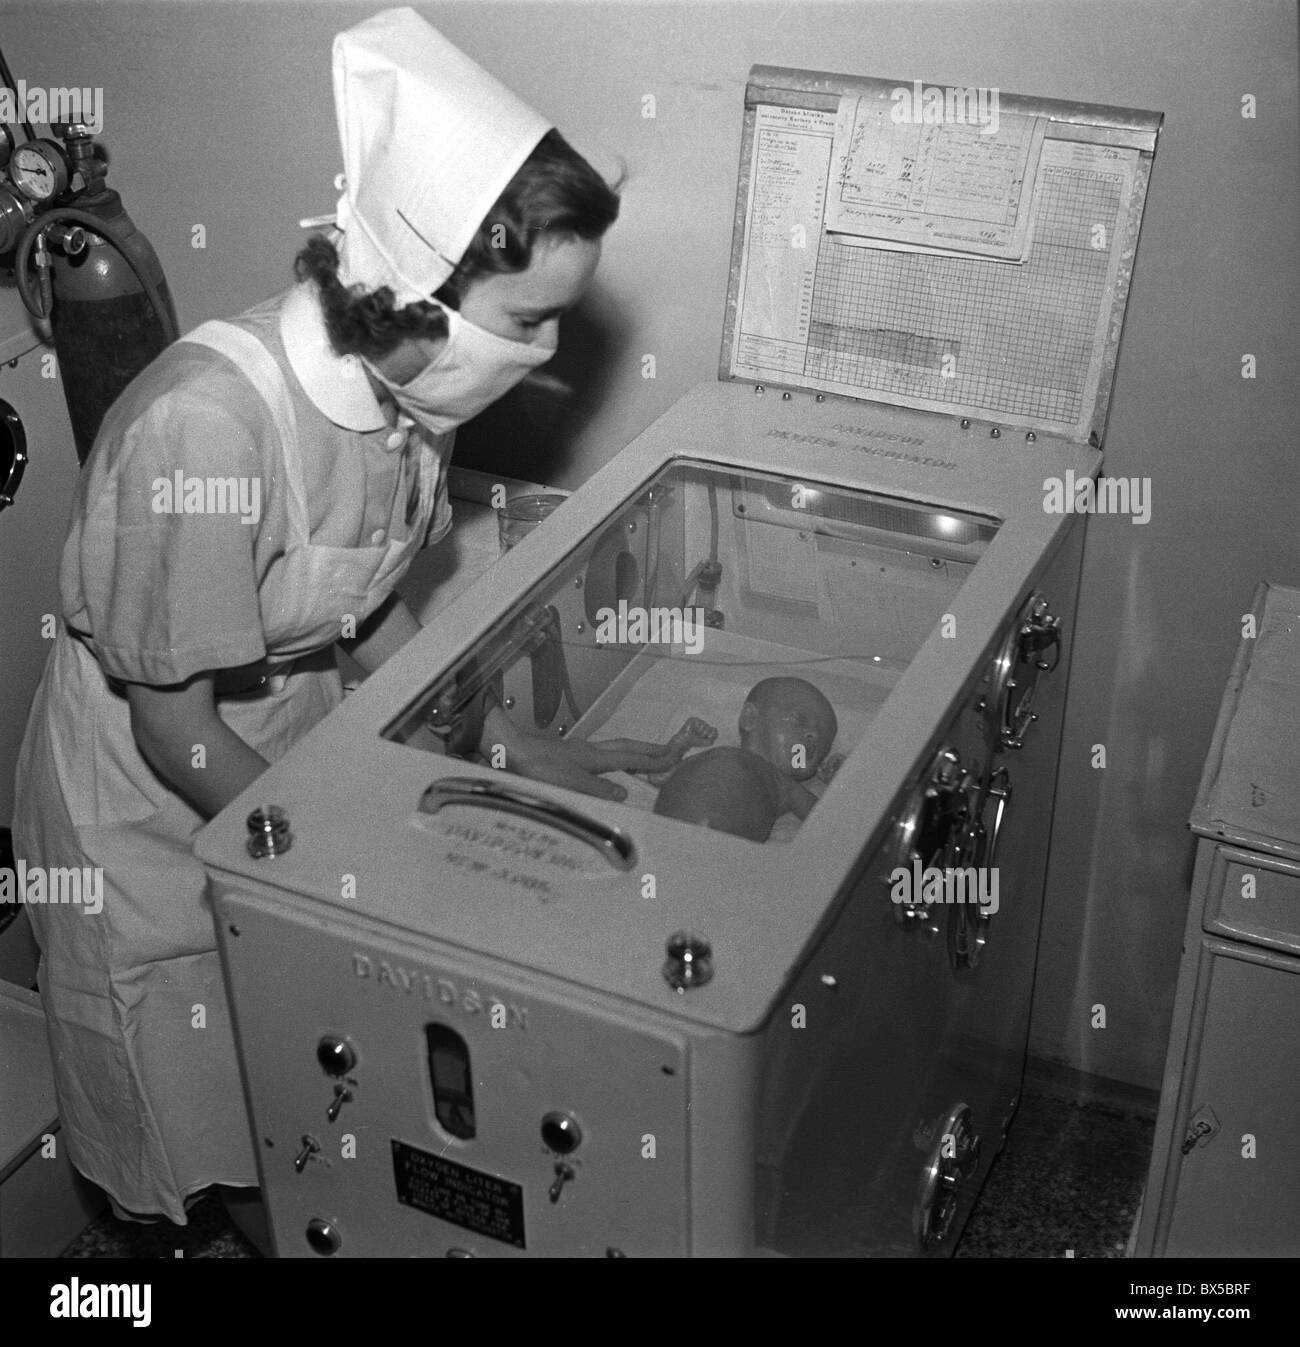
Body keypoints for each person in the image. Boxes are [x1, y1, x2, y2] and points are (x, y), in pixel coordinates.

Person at [11, 8, 659, 1234]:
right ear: (419, 298)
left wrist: (487, 760)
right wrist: (338, 871)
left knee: (311, 1100)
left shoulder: (409, 388)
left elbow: (363, 620)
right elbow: (175, 729)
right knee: (196, 1111)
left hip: (284, 745)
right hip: (151, 807)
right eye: (528, 319)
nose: (552, 349)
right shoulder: (206, 429)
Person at [651, 677, 840, 841]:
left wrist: (841, 781)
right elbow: (659, 775)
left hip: (719, 851)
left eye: (823, 741)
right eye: (799, 719)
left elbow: (824, 821)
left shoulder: (783, 785)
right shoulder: (713, 754)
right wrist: (680, 745)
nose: (813, 734)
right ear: (750, 718)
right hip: (661, 833)